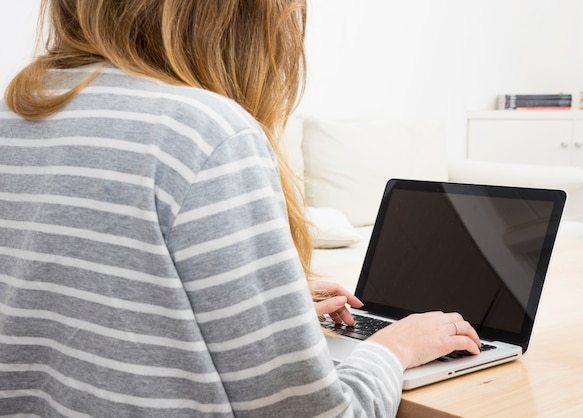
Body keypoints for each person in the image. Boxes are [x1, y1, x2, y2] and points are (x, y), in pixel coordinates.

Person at [0, 0, 480, 416]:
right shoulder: (202, 130)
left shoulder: (18, 110)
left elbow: (84, 292)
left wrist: (255, 301)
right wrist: (393, 350)